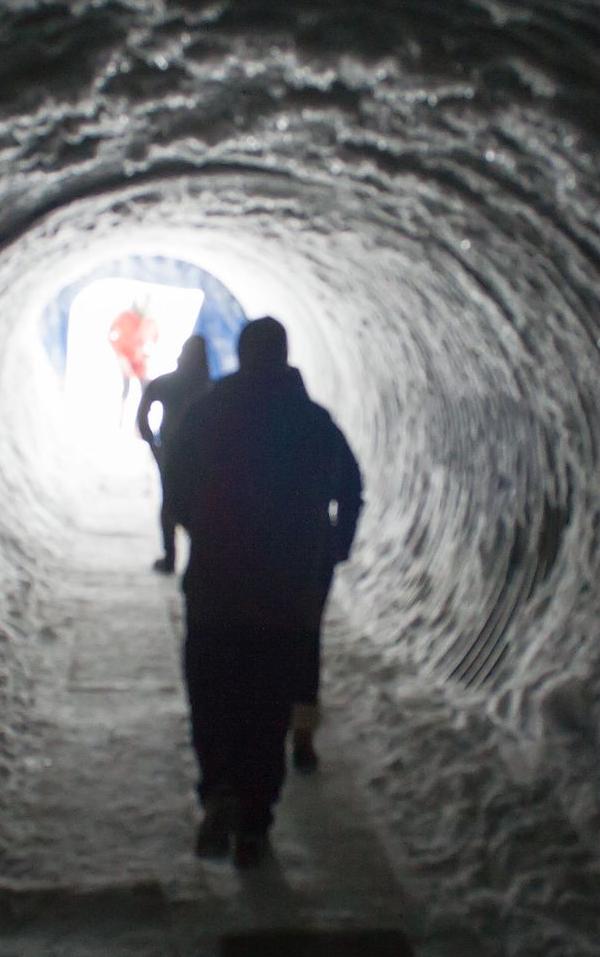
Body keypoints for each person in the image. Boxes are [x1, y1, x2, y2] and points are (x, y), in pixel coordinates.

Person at [161, 317, 363, 869]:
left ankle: (220, 788)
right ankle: (255, 820)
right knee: (268, 707)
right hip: (285, 592)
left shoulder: (209, 411)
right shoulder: (313, 420)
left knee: (213, 696)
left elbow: (173, 481)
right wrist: (332, 547)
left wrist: (196, 530)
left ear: (243, 356)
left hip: (216, 589)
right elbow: (351, 487)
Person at [136, 335, 212, 574]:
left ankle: (170, 559)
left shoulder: (168, 383)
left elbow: (143, 410)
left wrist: (152, 441)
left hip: (170, 451)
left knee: (170, 502)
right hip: (203, 456)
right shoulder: (210, 388)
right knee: (200, 505)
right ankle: (199, 560)